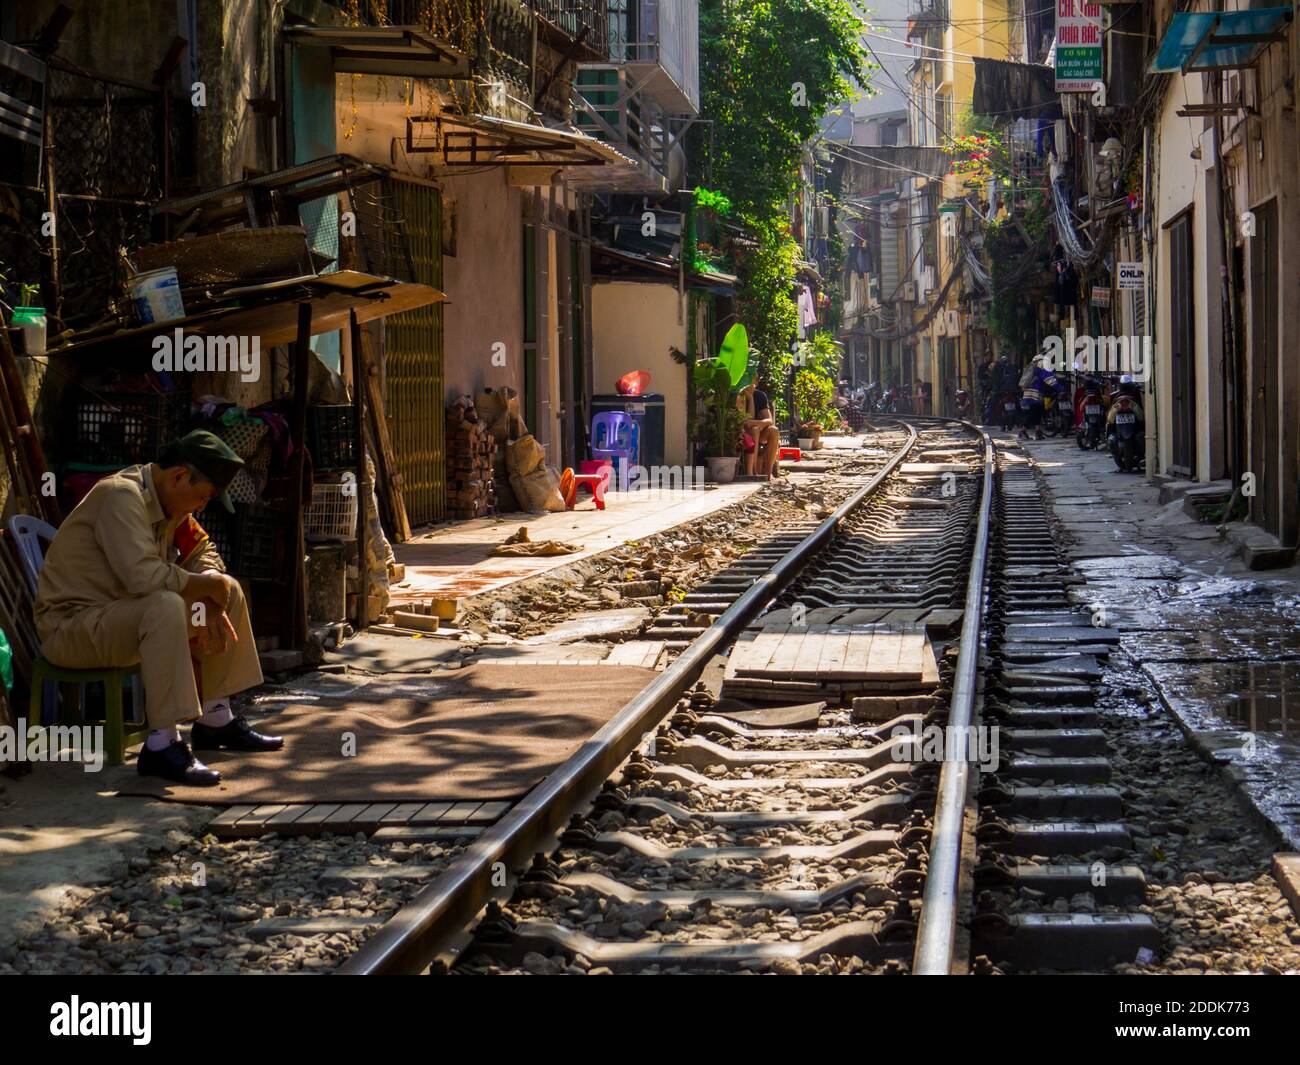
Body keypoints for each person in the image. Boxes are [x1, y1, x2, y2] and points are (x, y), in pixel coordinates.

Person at [34, 431, 281, 786]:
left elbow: (203, 552)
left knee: (230, 590)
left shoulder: (171, 505)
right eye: (203, 497)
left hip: (123, 621)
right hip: (72, 629)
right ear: (179, 476)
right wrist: (204, 587)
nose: (201, 507)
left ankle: (215, 719)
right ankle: (162, 745)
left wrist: (212, 584)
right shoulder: (121, 496)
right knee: (164, 604)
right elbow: (142, 579)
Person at [737, 381, 781, 479]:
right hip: (742, 431)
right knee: (755, 430)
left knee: (774, 430)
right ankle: (753, 471)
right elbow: (747, 419)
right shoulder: (738, 394)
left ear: (756, 382)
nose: (751, 384)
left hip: (756, 430)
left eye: (753, 381)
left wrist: (757, 423)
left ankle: (768, 474)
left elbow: (769, 420)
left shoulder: (759, 395)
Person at [1018, 353, 1065, 440]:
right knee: (1033, 413)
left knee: (1037, 412)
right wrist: (1061, 388)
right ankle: (1023, 430)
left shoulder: (1033, 367)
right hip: (1035, 394)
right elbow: (1050, 380)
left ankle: (1037, 431)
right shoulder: (1040, 368)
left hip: (1030, 393)